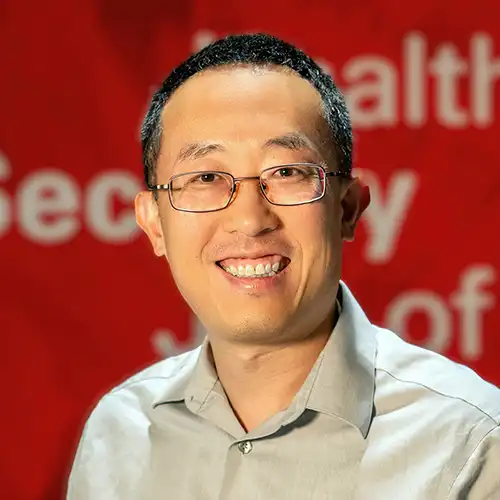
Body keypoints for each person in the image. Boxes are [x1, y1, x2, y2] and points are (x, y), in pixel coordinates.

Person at [67, 33, 500, 499]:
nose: (250, 220)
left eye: (288, 173)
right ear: (153, 223)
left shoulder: (472, 442)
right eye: (206, 177)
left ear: (348, 208)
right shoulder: (119, 434)